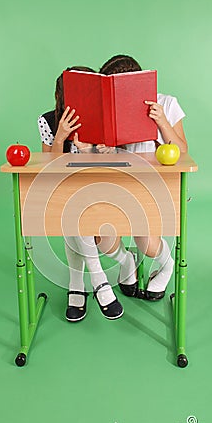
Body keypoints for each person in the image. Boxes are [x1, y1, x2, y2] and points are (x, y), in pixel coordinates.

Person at [96, 54, 188, 301]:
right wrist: (107, 149)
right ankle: (127, 262)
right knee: (101, 236)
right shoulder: (111, 110)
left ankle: (167, 265)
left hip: (155, 185)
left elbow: (182, 152)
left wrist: (162, 121)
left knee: (145, 241)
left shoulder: (166, 103)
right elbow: (113, 156)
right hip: (120, 182)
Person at [38, 66, 123, 322]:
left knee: (77, 208)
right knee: (72, 205)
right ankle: (98, 281)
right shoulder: (48, 120)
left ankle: (77, 286)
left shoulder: (104, 119)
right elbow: (48, 169)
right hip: (64, 191)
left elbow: (110, 169)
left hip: (101, 191)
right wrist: (60, 138)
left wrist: (94, 150)